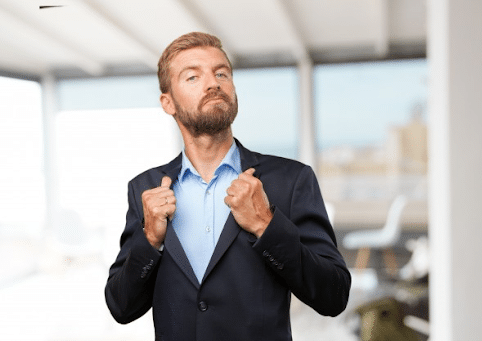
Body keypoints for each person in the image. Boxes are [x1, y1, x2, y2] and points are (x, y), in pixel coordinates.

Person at [105, 31, 351, 341]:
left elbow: (335, 295)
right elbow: (120, 306)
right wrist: (150, 240)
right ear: (168, 102)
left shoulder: (292, 180)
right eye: (193, 77)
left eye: (221, 73)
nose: (213, 83)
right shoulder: (144, 188)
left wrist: (266, 225)